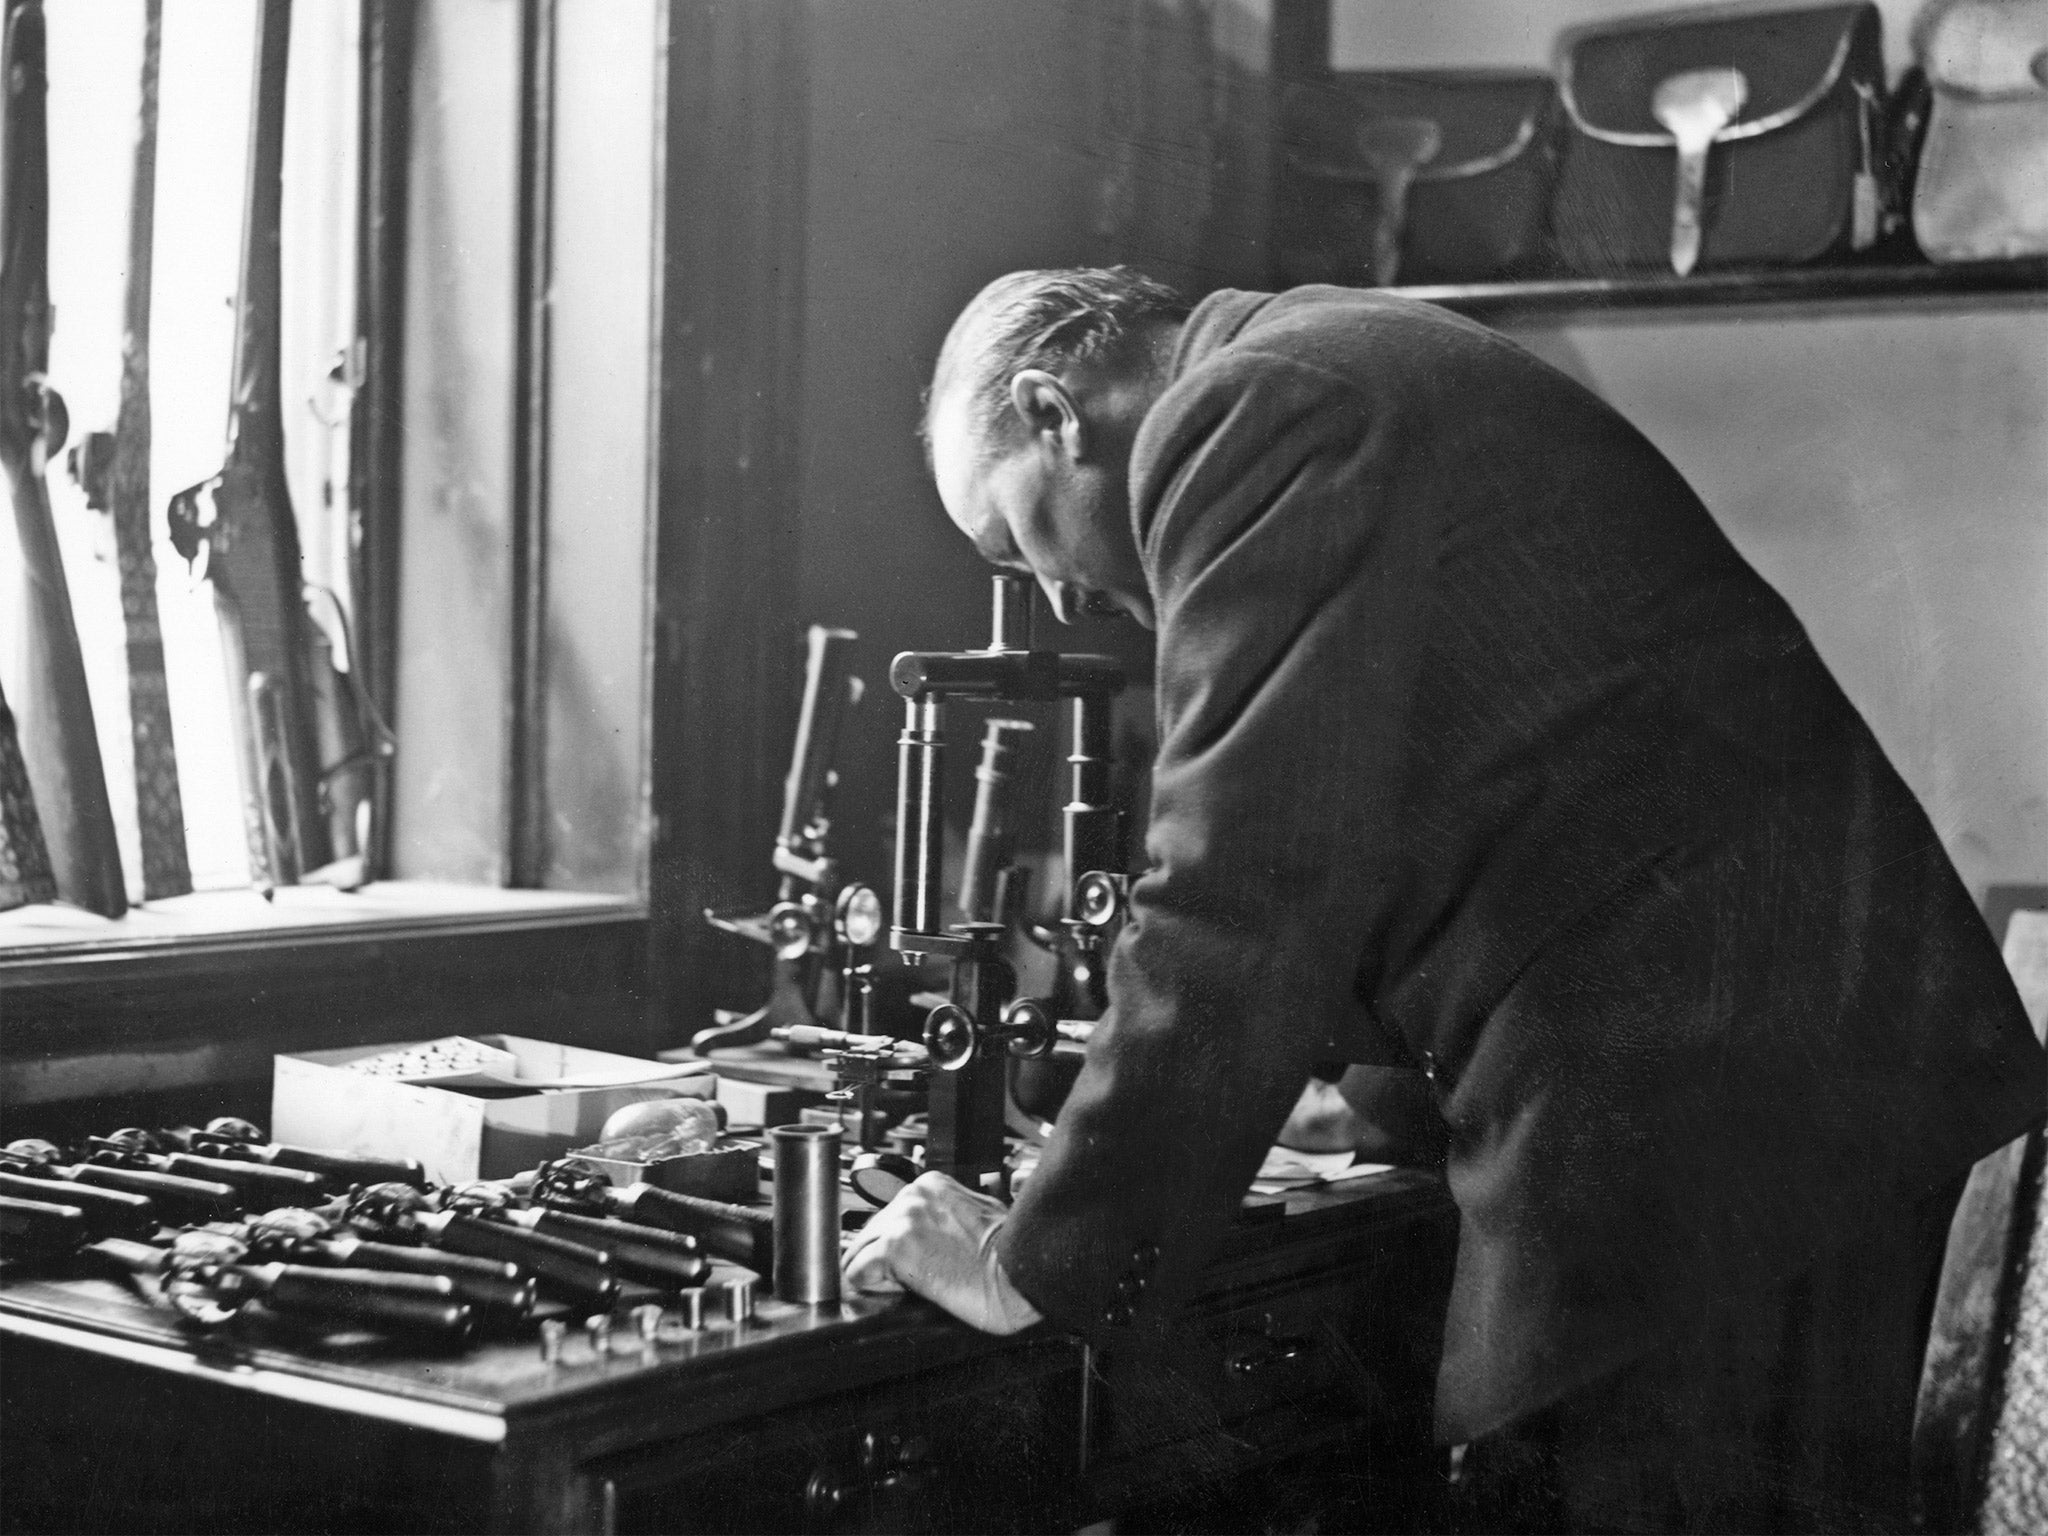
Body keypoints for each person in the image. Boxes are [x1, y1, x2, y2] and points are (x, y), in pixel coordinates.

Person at [840, 268, 2045, 1532]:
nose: (1052, 600)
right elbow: (1471, 783)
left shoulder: (1245, 411)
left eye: (1010, 546)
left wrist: (1034, 1259)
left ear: (1052, 412)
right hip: (1790, 1088)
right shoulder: (1331, 351)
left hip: (1705, 1129)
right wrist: (1364, 1100)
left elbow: (1243, 874)